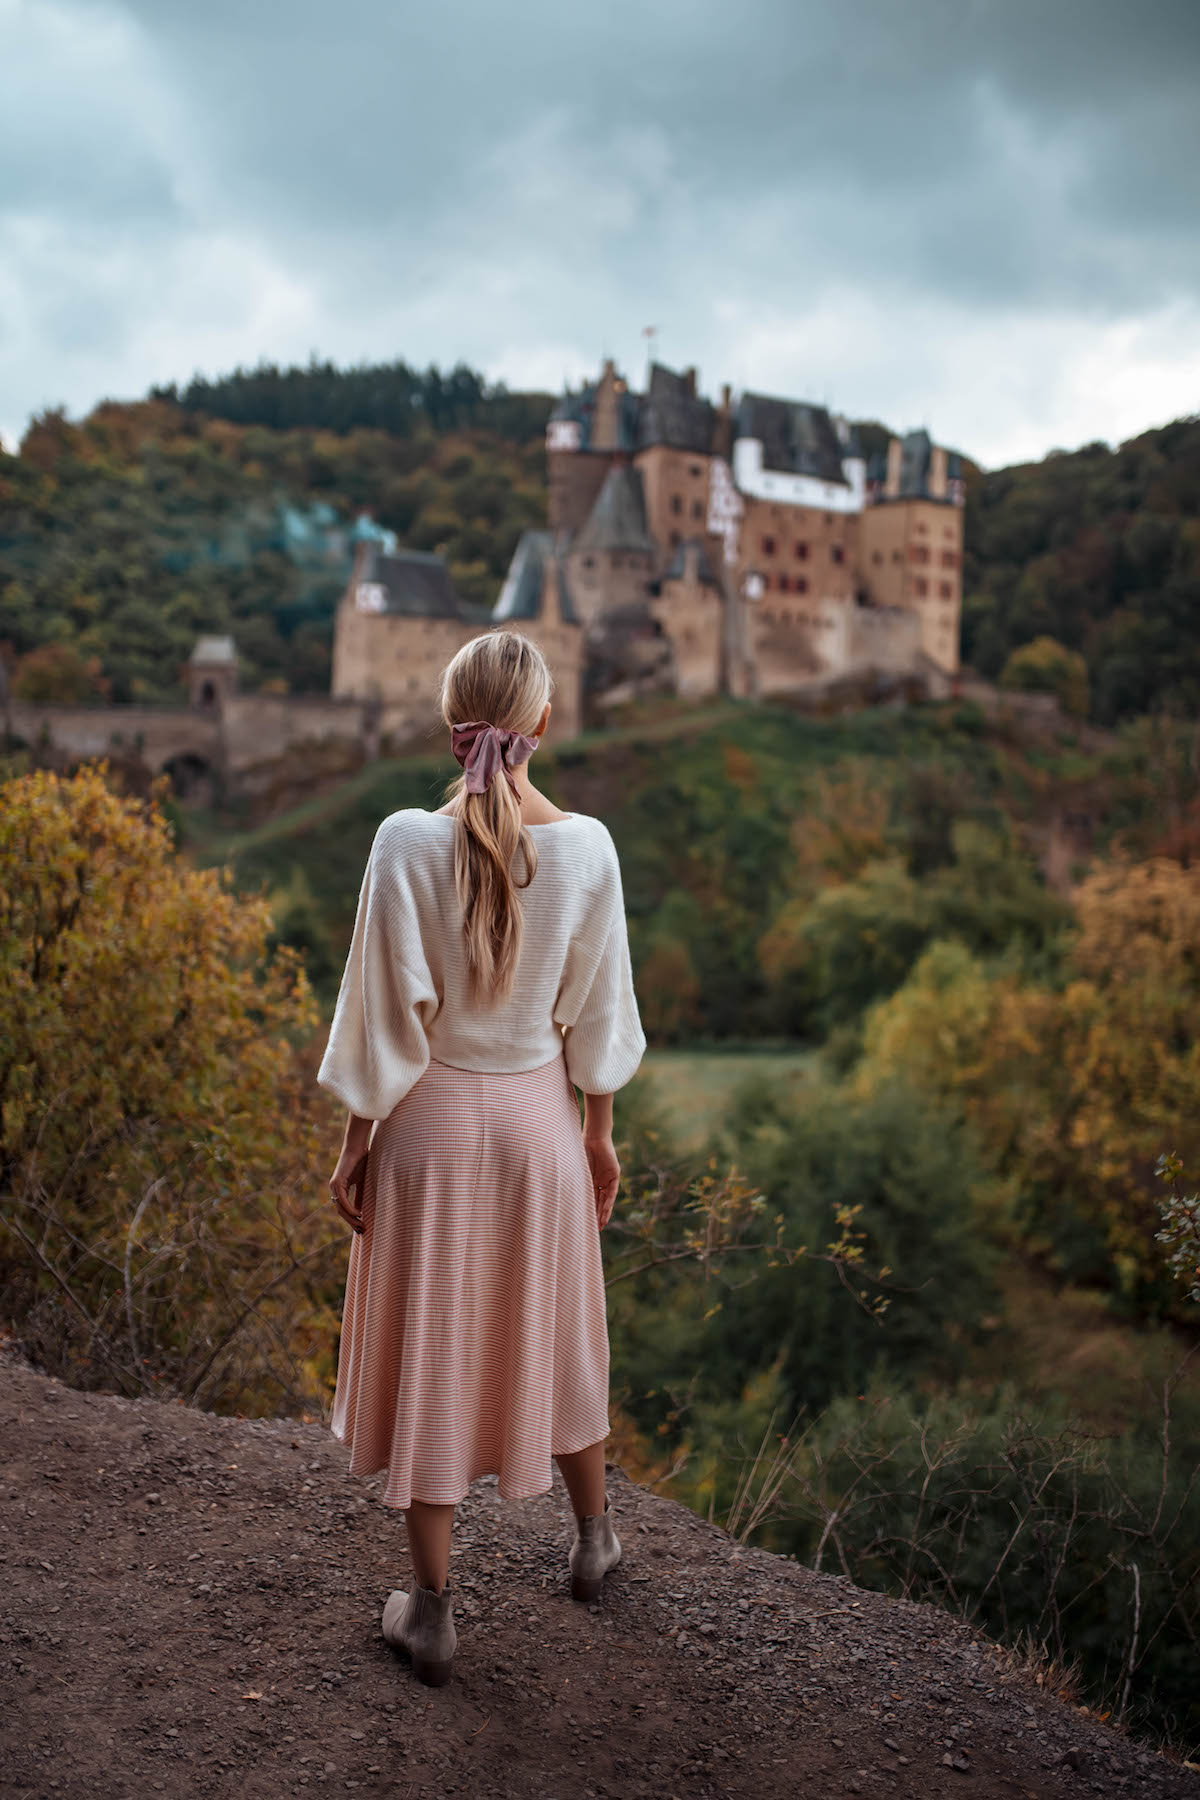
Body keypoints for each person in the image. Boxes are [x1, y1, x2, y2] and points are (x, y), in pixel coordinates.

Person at [317, 628, 646, 1687]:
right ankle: (594, 1541)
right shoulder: (591, 848)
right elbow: (600, 1014)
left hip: (430, 1130)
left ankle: (433, 1610)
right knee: (560, 1332)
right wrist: (597, 1138)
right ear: (544, 726)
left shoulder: (406, 841)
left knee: (436, 1353)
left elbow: (378, 1018)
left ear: (449, 724)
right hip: (541, 1126)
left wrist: (353, 1148)